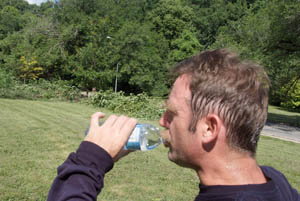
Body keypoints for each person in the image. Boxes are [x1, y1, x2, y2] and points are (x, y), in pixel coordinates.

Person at [47, 49, 300, 201]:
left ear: (209, 128)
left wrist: (89, 161)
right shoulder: (274, 181)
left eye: (171, 113)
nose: (162, 121)